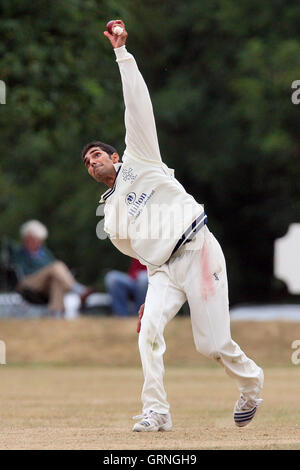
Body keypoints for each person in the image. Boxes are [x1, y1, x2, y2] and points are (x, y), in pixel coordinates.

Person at [82, 20, 264, 431]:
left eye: (97, 154)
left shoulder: (141, 157)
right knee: (147, 333)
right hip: (164, 270)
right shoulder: (110, 216)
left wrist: (121, 53)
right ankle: (157, 413)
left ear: (115, 156)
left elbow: (137, 104)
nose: (93, 162)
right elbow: (141, 251)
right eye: (87, 162)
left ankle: (252, 385)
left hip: (198, 250)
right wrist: (153, 288)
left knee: (211, 344)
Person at [13, 220, 93, 317]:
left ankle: (56, 314)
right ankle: (78, 289)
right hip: (27, 282)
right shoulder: (19, 253)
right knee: (57, 266)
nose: (35, 242)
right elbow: (19, 270)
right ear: (25, 238)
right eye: (31, 239)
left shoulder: (45, 253)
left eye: (37, 240)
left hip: (45, 284)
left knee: (57, 279)